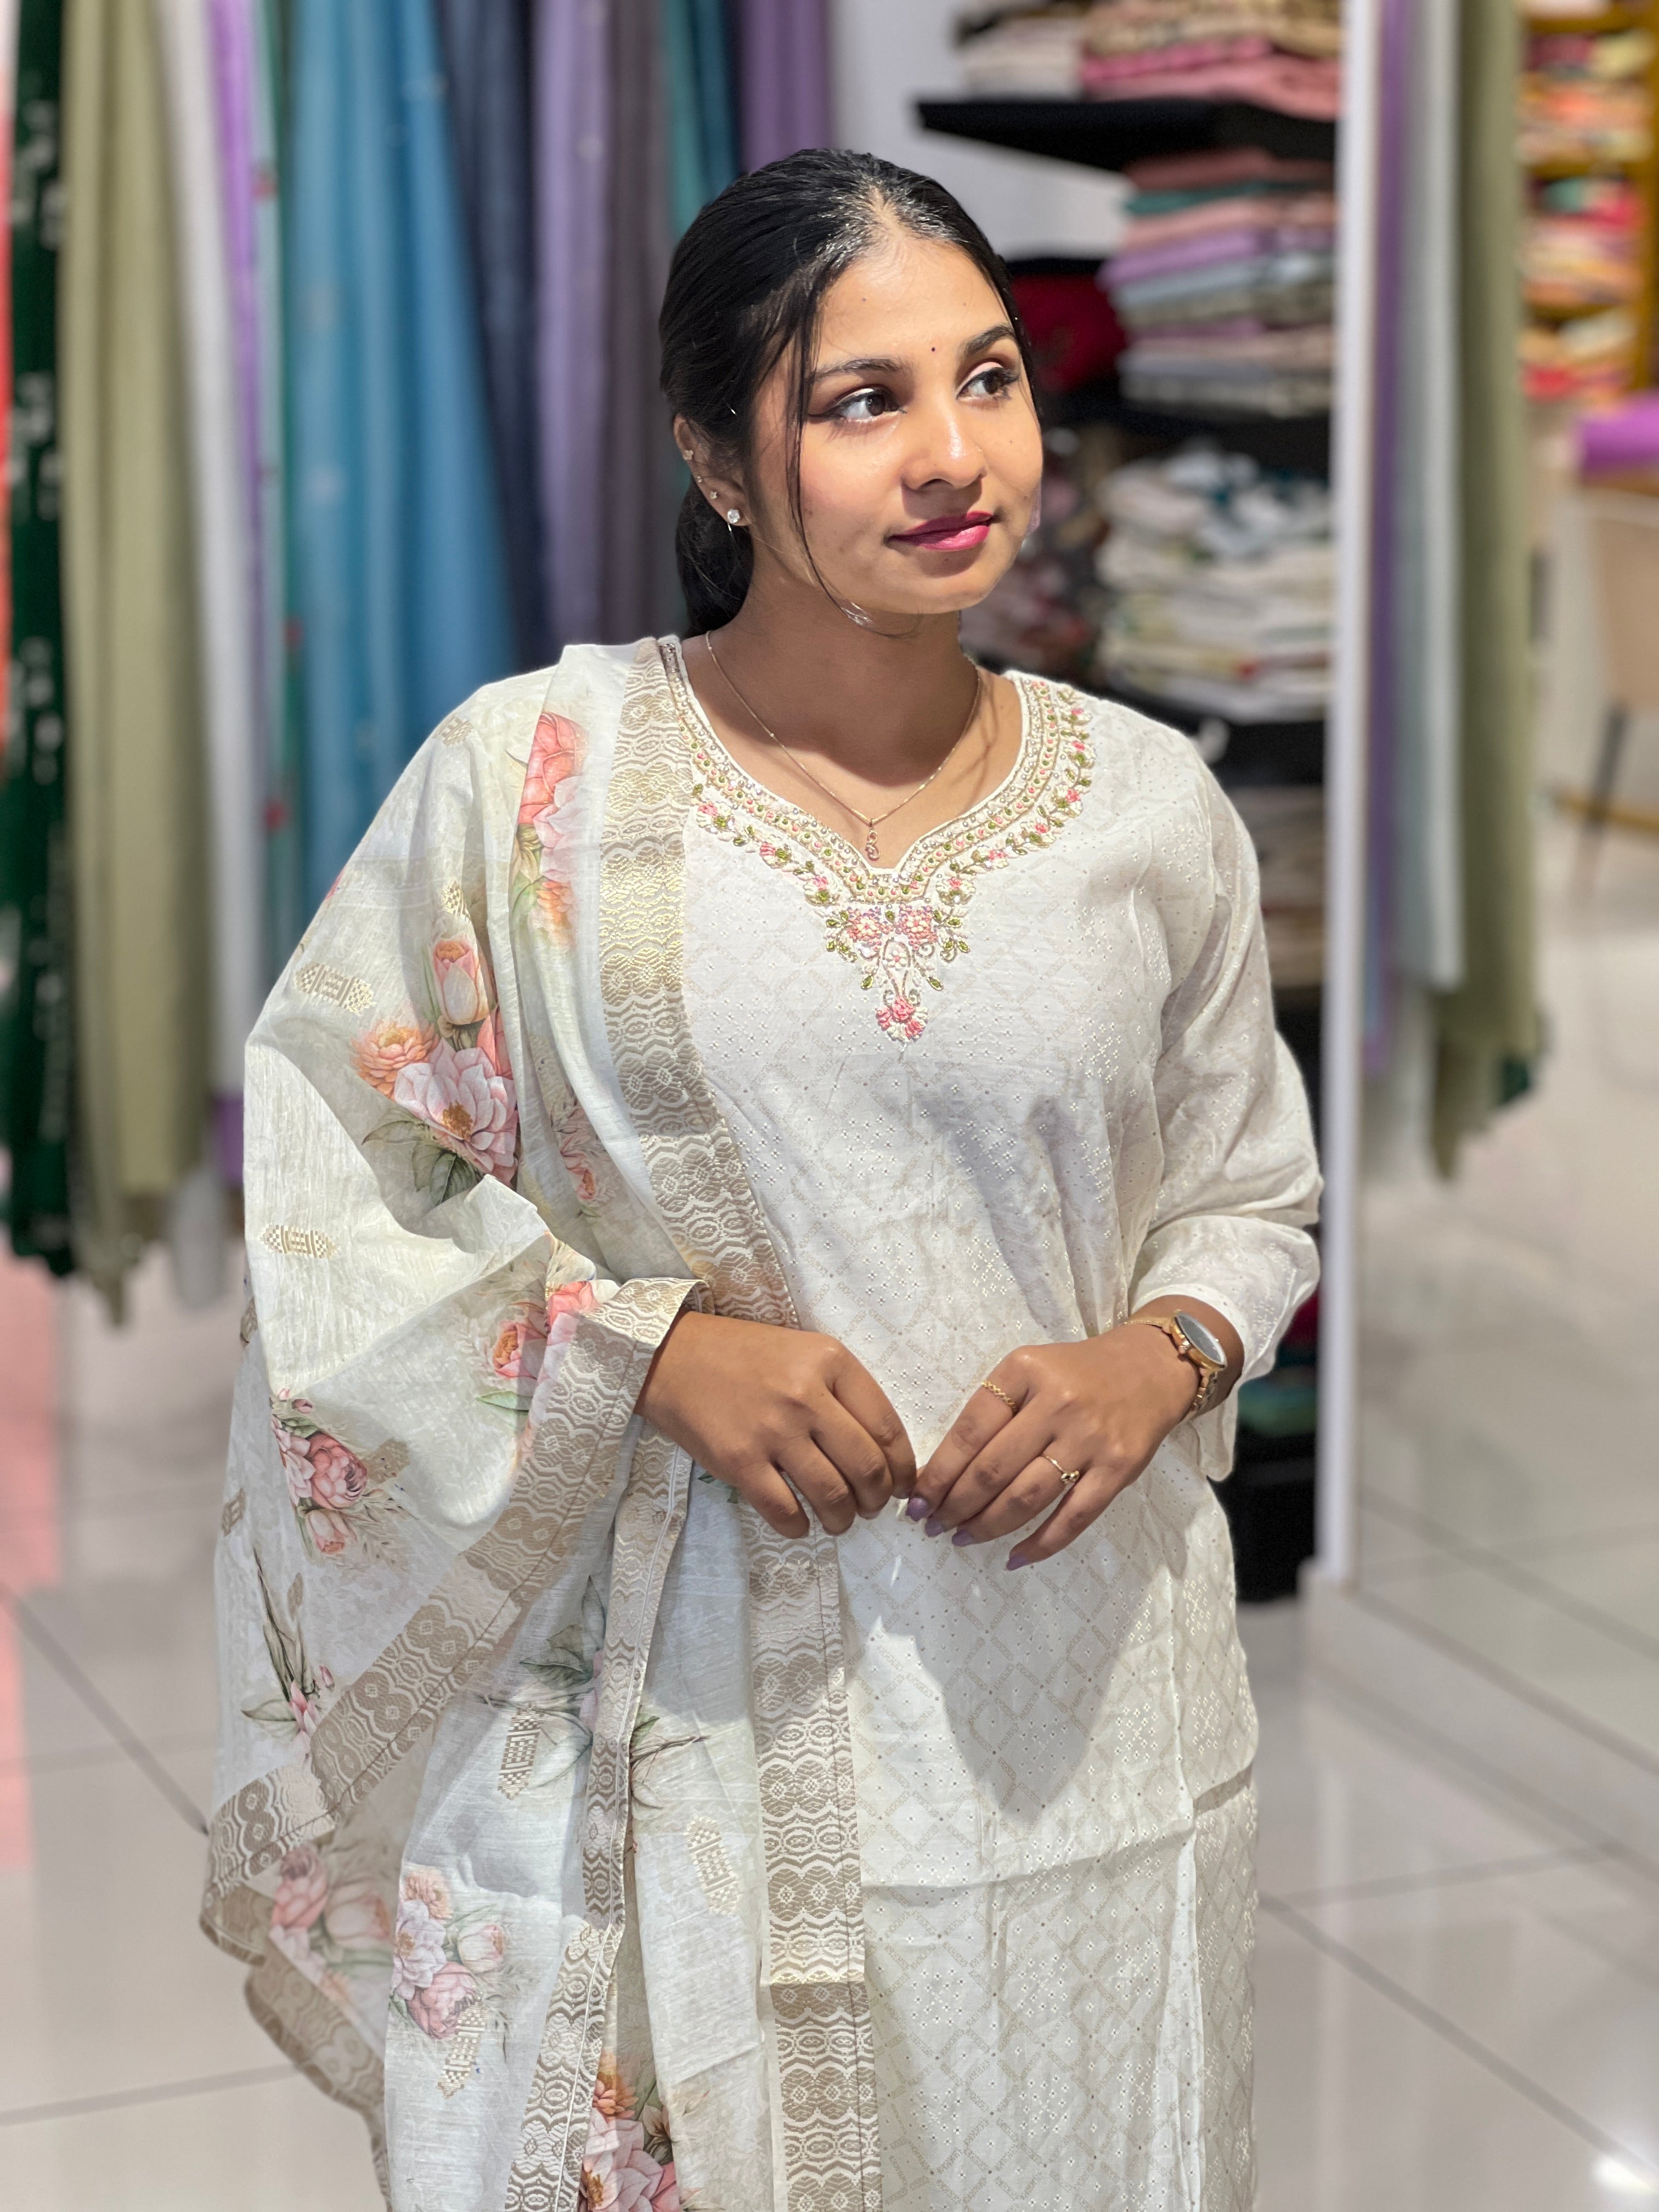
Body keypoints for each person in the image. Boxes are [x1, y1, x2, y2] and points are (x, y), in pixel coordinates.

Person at [205, 149, 1319, 2212]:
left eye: (988, 377)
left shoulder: (1149, 810)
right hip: (677, 1714)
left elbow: (1251, 1192)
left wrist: (1159, 1356)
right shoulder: (536, 780)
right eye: (861, 400)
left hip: (1077, 1704)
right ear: (718, 459)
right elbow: (334, 1168)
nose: (954, 453)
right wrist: (647, 1352)